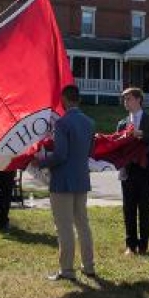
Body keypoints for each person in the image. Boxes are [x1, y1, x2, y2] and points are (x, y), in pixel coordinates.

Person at [36, 84, 96, 281]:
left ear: (65, 99)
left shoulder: (62, 123)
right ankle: (88, 266)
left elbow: (60, 155)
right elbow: (88, 152)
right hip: (81, 178)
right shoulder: (89, 122)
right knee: (83, 224)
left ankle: (67, 270)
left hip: (62, 181)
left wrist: (41, 162)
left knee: (64, 226)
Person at [116, 87, 149, 255]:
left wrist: (141, 135)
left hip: (147, 170)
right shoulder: (122, 123)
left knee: (144, 208)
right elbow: (117, 147)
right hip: (128, 171)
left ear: (138, 100)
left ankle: (143, 246)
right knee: (128, 208)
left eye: (128, 99)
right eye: (124, 99)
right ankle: (130, 245)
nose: (125, 102)